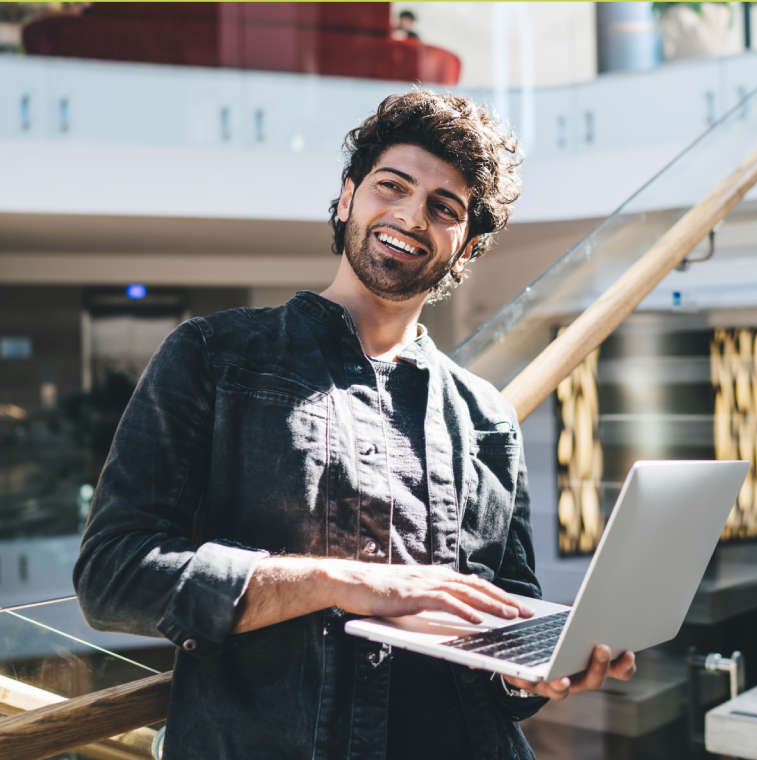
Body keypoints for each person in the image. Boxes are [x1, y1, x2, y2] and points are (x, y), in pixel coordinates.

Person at [74, 90, 636, 759]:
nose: (408, 214)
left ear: (468, 248)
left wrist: (539, 667)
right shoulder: (214, 358)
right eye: (390, 186)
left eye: (443, 207)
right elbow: (114, 575)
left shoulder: (486, 417)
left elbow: (503, 618)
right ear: (346, 198)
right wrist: (350, 583)